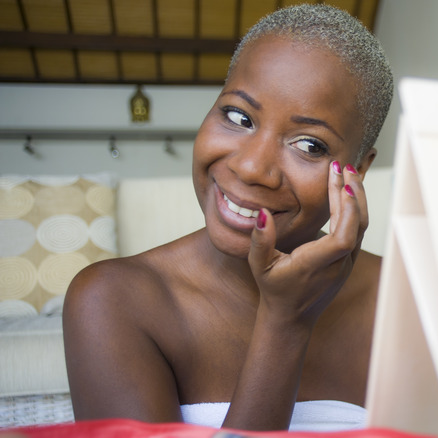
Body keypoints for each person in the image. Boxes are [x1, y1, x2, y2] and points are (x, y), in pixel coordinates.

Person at [62, 4, 393, 432]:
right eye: (239, 116)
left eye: (309, 145)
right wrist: (284, 325)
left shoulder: (401, 302)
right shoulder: (112, 300)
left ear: (358, 169)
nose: (252, 168)